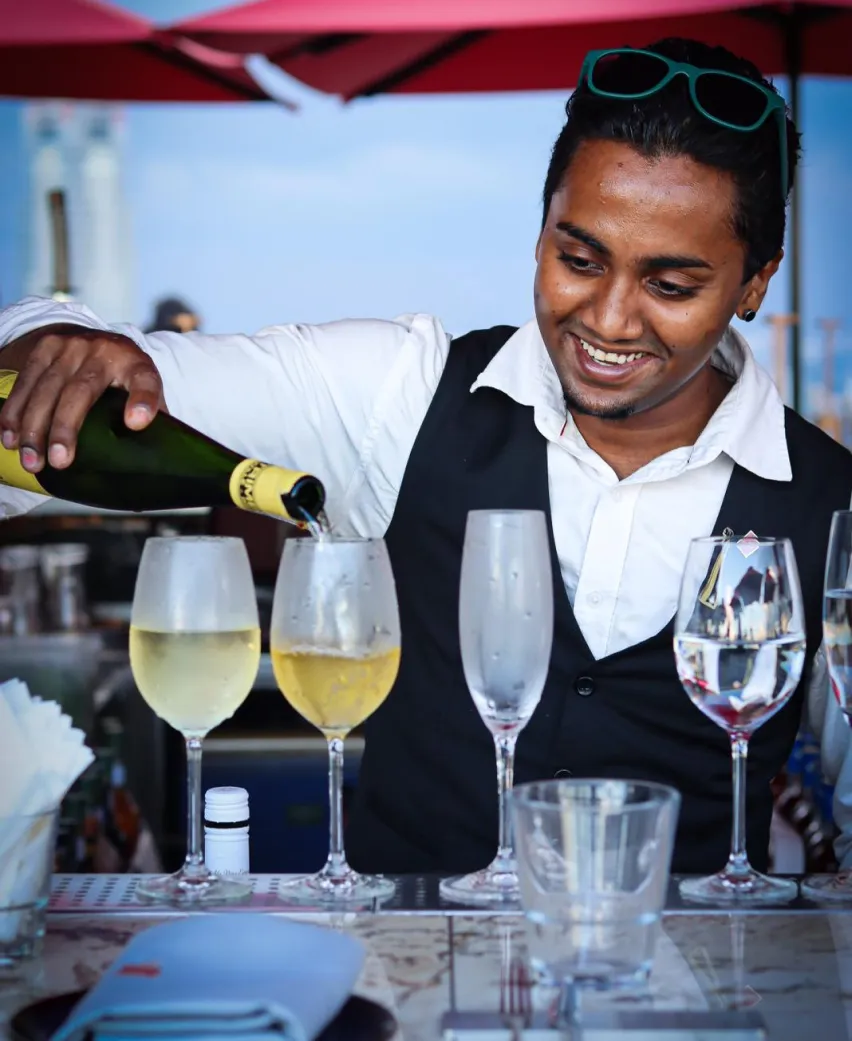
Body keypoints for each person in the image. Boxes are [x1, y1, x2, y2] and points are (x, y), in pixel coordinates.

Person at [0, 38, 850, 878]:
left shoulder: (829, 503)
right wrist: (55, 344)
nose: (610, 318)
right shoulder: (401, 394)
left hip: (692, 970)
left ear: (755, 282)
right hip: (406, 961)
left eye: (670, 286)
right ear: (541, 229)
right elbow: (107, 379)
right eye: (578, 259)